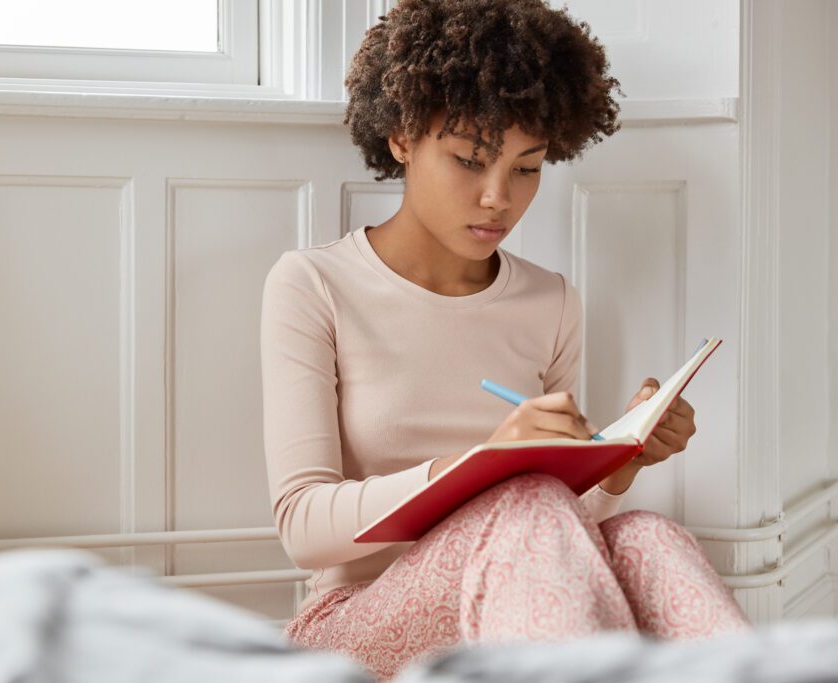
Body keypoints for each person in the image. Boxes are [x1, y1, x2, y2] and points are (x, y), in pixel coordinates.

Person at [259, 0, 752, 679]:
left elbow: (560, 524)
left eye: (527, 167)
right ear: (402, 136)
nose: (500, 197)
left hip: (523, 595)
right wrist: (482, 464)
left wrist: (618, 464)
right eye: (470, 159)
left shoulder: (550, 301)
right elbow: (303, 525)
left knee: (647, 535)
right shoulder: (313, 284)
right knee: (523, 501)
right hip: (356, 618)